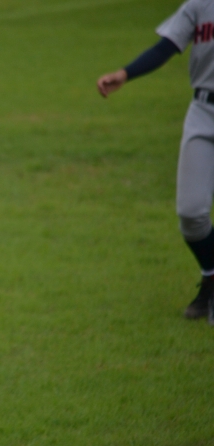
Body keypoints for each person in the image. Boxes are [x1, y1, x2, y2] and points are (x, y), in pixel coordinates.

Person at [96, 0, 214, 323]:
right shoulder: (200, 5)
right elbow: (167, 46)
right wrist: (125, 73)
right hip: (204, 111)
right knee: (191, 212)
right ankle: (211, 275)